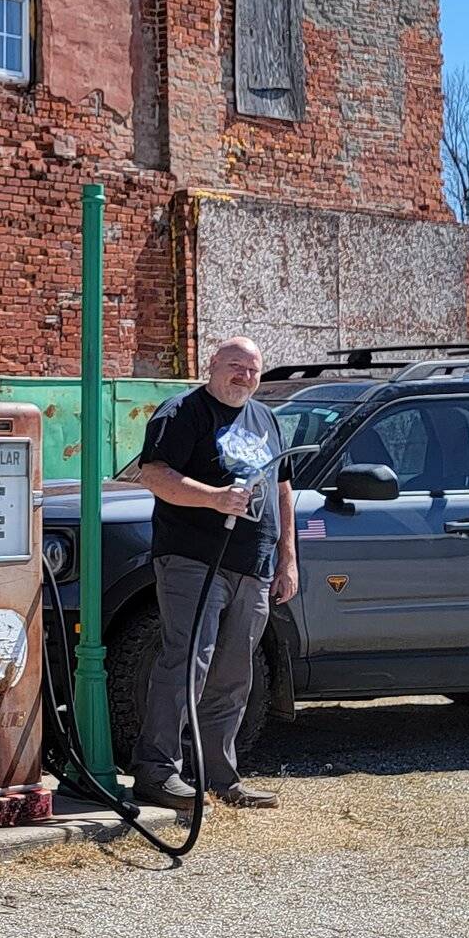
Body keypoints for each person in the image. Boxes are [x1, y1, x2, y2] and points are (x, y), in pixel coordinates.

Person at [128, 336, 296, 812]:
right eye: (235, 366)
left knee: (233, 673)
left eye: (253, 369)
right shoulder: (182, 413)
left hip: (254, 565)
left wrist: (287, 559)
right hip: (193, 560)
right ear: (213, 366)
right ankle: (157, 771)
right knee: (186, 662)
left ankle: (219, 774)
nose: (245, 376)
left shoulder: (265, 418)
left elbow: (283, 491)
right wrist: (215, 498)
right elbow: (154, 475)